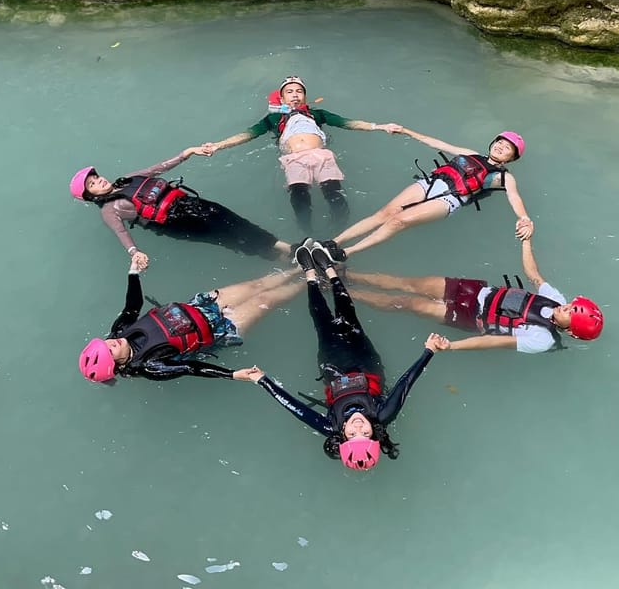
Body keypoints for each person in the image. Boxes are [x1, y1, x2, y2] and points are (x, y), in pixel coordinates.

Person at [233, 242, 450, 470]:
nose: (358, 426)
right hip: (367, 365)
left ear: (343, 437)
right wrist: (430, 351)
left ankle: (309, 274)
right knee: (349, 317)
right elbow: (406, 383)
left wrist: (263, 380)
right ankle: (329, 269)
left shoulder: (331, 426)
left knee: (322, 322)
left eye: (353, 433)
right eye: (364, 432)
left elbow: (295, 408)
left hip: (333, 369)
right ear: (374, 434)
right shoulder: (383, 414)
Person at [201, 75, 402, 232]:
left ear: (305, 96)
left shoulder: (317, 114)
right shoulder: (273, 119)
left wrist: (380, 126)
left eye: (299, 91)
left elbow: (348, 123)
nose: (295, 94)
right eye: (290, 92)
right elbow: (247, 134)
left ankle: (339, 231)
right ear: (282, 98)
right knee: (299, 195)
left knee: (334, 194)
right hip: (294, 159)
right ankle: (307, 231)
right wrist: (219, 145)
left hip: (321, 155)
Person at [344, 236, 604, 353]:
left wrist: (451, 346)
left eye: (572, 312)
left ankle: (343, 290)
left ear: (570, 331)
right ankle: (344, 272)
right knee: (407, 284)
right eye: (572, 305)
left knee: (407, 302)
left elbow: (493, 341)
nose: (567, 307)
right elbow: (534, 275)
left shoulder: (542, 338)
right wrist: (527, 240)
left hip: (470, 316)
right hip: (476, 290)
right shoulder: (556, 300)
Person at [77, 254, 304, 383]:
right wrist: (233, 375)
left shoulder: (120, 331)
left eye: (104, 343)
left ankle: (301, 266)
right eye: (110, 351)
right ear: (118, 363)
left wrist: (133, 272)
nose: (111, 342)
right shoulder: (151, 366)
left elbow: (132, 306)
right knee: (265, 300)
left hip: (200, 305)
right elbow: (190, 367)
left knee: (258, 285)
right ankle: (309, 281)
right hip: (221, 330)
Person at [318, 127, 532, 261]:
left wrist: (524, 218)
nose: (501, 147)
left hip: (450, 199)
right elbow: (437, 143)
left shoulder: (503, 177)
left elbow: (514, 197)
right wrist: (407, 131)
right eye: (500, 142)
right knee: (384, 213)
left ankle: (347, 253)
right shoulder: (470, 154)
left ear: (511, 158)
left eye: (507, 148)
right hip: (431, 183)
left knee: (398, 221)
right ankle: (333, 242)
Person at [69, 146, 294, 269]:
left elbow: (159, 168)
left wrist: (186, 153)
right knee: (227, 237)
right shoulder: (109, 210)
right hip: (175, 223)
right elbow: (121, 233)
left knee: (233, 221)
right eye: (92, 184)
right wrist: (135, 253)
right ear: (90, 196)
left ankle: (286, 249)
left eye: (96, 177)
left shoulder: (127, 179)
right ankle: (280, 257)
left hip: (188, 203)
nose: (99, 181)